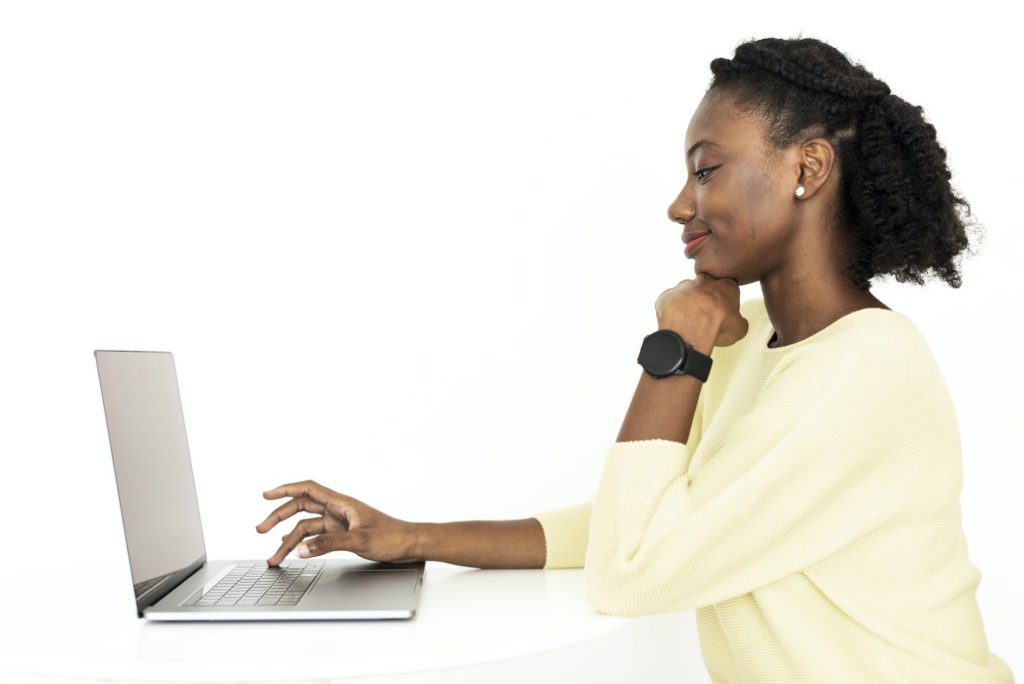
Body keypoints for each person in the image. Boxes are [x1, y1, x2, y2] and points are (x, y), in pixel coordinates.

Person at [254, 36, 1015, 683]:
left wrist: (677, 349)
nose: (679, 204)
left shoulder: (866, 368)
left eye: (706, 169)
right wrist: (411, 537)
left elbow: (633, 567)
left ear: (808, 170)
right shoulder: (757, 342)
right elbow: (644, 524)